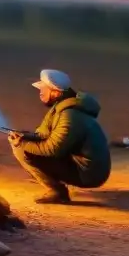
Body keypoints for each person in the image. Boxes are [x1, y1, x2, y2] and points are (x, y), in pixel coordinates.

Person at [8, 68, 111, 205]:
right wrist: (25, 136)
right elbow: (46, 135)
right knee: (26, 143)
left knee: (22, 150)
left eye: (44, 89)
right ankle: (57, 187)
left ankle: (58, 192)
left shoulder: (69, 115)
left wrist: (21, 143)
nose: (40, 92)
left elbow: (53, 149)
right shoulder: (64, 107)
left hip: (88, 173)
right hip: (87, 167)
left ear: (56, 92)